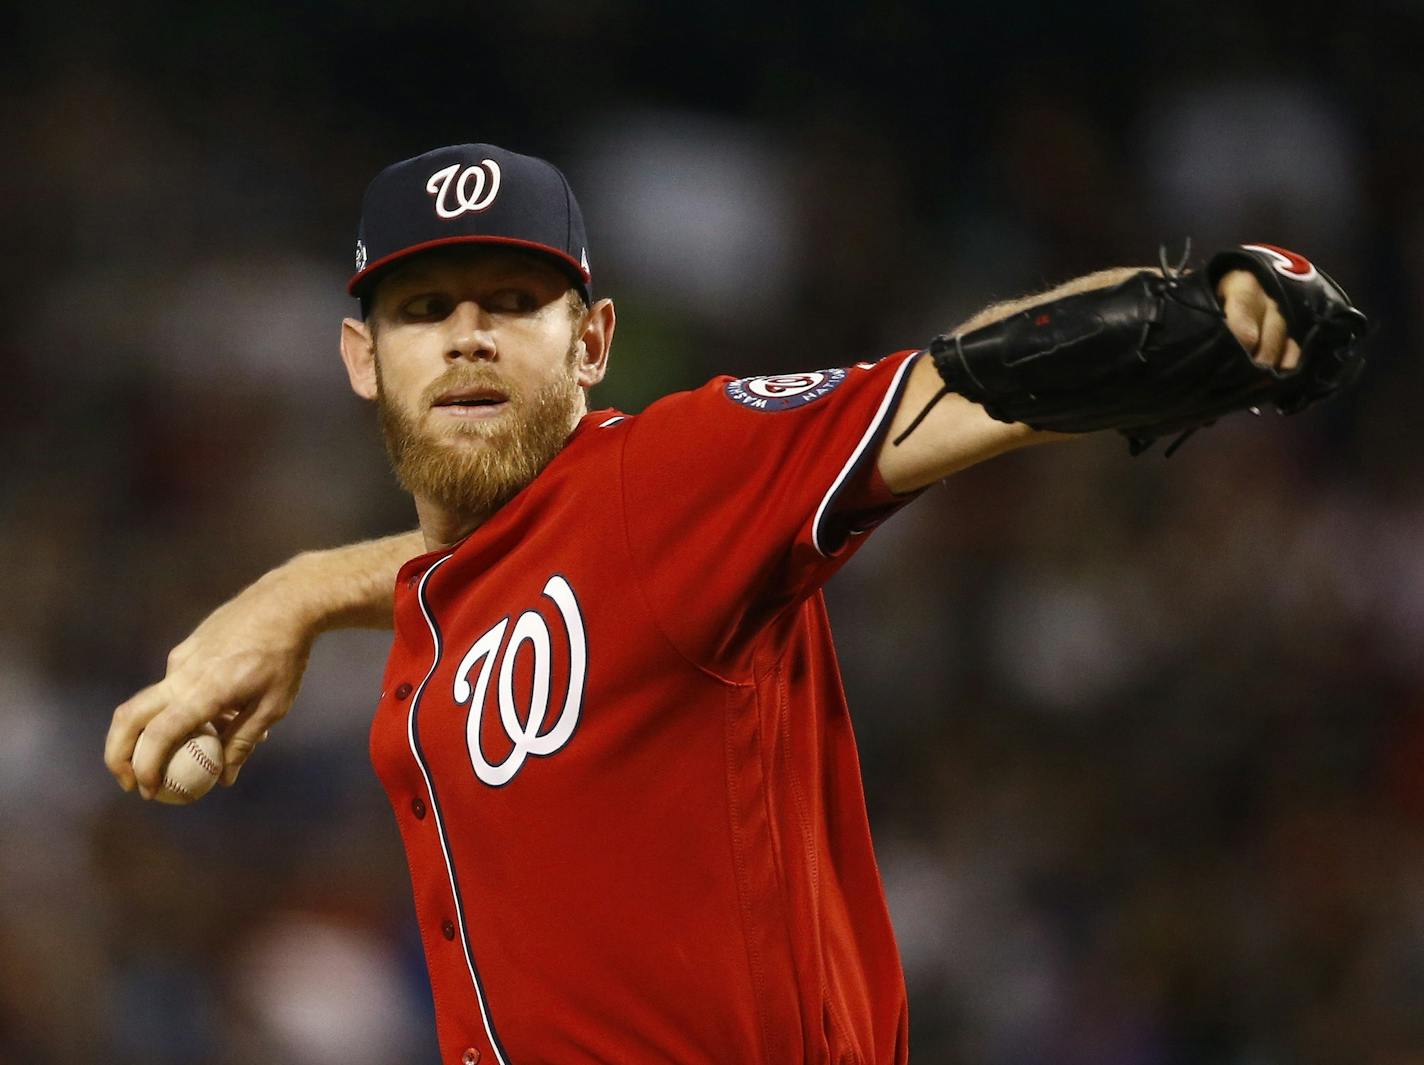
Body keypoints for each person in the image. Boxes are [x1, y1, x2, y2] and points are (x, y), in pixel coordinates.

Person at [103, 143, 1342, 1065]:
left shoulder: (674, 475)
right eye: (425, 309)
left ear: (589, 342)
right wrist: (298, 589)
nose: (469, 336)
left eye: (512, 303)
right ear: (362, 359)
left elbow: (952, 384)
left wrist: (1208, 311)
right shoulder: (469, 584)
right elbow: (483, 574)